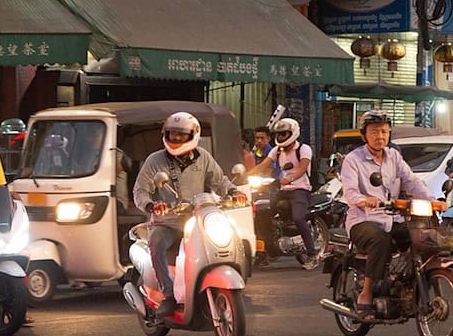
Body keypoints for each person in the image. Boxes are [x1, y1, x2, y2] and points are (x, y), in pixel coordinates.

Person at [133, 112, 242, 317]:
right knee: (156, 241)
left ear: (194, 135)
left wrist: (234, 192)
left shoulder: (204, 158)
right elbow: (140, 191)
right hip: (167, 222)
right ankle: (168, 295)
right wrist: (151, 206)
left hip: (198, 221)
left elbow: (220, 181)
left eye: (180, 135)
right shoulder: (154, 160)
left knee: (231, 241)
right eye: (172, 135)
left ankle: (231, 308)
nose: (175, 139)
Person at [341, 110, 432, 320]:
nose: (380, 136)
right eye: (374, 132)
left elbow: (412, 181)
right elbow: (350, 191)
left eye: (384, 131)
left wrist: (432, 200)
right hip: (362, 219)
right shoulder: (353, 160)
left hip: (392, 217)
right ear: (364, 135)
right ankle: (366, 293)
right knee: (380, 240)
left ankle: (407, 282)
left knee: (419, 235)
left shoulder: (394, 156)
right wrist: (365, 199)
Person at [250, 118, 319, 270]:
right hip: (283, 190)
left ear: (293, 133)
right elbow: (263, 165)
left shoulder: (304, 149)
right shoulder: (277, 150)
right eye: (279, 134)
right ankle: (266, 250)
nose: (281, 137)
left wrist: (291, 178)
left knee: (298, 218)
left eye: (284, 134)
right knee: (263, 213)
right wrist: (243, 177)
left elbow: (302, 167)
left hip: (301, 189)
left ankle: (312, 255)